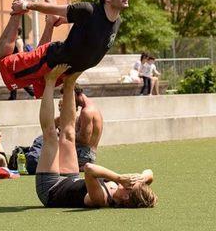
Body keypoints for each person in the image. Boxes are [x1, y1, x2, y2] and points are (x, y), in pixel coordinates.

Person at [35, 64, 157, 209]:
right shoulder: (125, 189)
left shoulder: (101, 199)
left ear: (126, 196)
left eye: (131, 185)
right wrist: (142, 178)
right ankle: (69, 82)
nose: (129, 182)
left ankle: (49, 80)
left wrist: (119, 178)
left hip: (51, 189)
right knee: (68, 135)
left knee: (50, 136)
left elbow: (89, 169)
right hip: (70, 178)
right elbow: (150, 173)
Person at [0, 0, 129, 98]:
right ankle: (17, 13)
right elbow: (53, 9)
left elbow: (90, 28)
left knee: (40, 95)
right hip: (51, 58)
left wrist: (61, 20)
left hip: (64, 71)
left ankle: (50, 22)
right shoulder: (88, 9)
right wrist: (25, 4)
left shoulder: (117, 21)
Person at [8, 27, 35, 100]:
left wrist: (20, 65)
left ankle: (13, 97)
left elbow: (21, 53)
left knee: (17, 80)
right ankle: (13, 97)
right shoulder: (17, 41)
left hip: (18, 65)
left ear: (17, 32)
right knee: (15, 80)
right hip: (17, 65)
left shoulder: (18, 41)